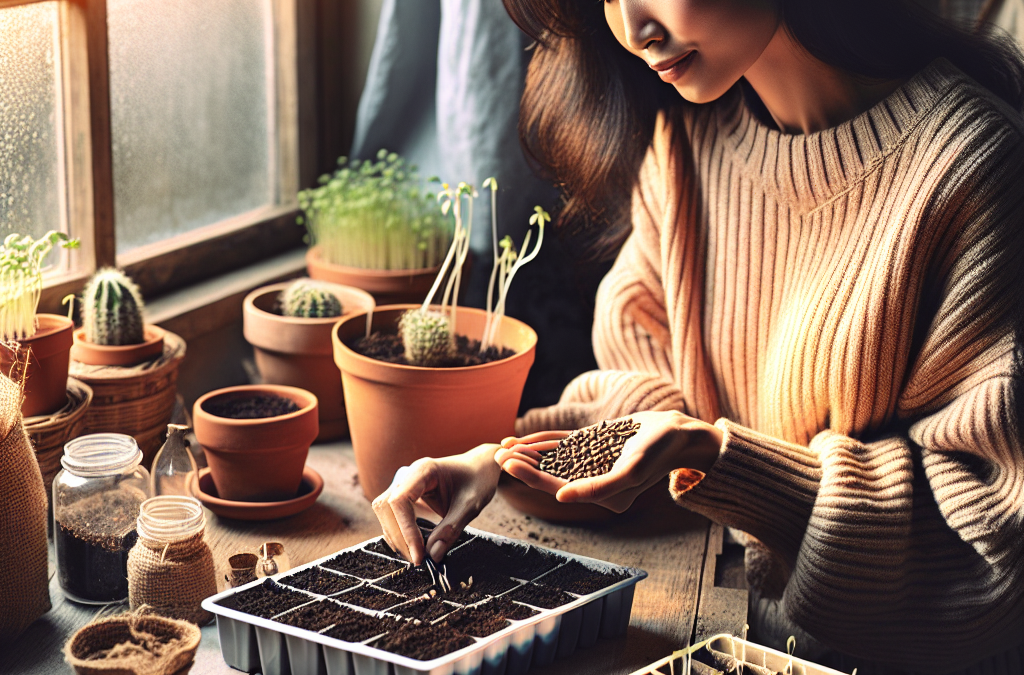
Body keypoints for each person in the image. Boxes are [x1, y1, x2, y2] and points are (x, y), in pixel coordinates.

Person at [372, 0, 1024, 672]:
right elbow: (655, 413)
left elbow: (990, 544)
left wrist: (721, 457)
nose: (632, 28)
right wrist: (501, 460)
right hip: (740, 644)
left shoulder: (977, 168)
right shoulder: (684, 146)